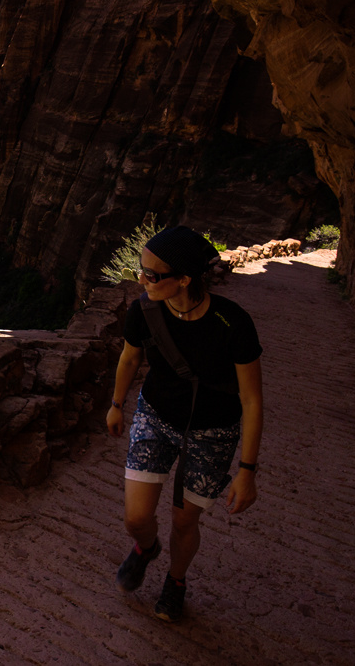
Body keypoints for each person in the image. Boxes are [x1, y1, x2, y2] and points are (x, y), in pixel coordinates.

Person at [105, 225, 263, 621]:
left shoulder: (233, 324)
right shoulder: (144, 310)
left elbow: (252, 399)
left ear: (184, 279)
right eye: (141, 269)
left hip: (213, 431)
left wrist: (247, 472)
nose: (140, 279)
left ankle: (175, 581)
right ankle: (146, 547)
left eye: (151, 275)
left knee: (183, 519)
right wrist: (115, 404)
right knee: (136, 518)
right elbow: (129, 358)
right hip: (156, 415)